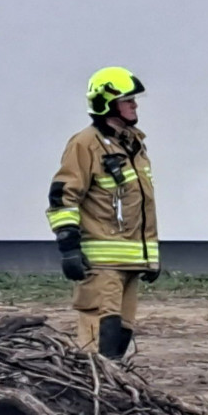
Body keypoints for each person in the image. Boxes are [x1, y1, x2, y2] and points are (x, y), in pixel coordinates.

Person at [45, 67, 160, 358]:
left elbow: (141, 205)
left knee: (121, 333)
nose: (134, 104)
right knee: (100, 335)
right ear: (106, 103)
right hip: (101, 264)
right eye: (128, 99)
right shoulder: (85, 144)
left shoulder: (134, 144)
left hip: (131, 260)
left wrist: (150, 256)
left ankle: (113, 392)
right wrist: (68, 246)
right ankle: (92, 393)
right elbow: (62, 195)